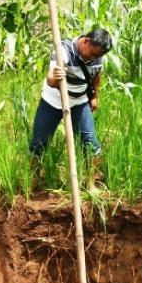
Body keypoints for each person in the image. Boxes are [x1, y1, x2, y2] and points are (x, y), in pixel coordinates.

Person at [29, 29, 112, 187]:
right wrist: (56, 77)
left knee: (90, 144)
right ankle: (33, 179)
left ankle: (90, 182)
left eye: (98, 56)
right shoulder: (63, 52)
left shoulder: (97, 56)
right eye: (92, 55)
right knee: (39, 142)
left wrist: (95, 96)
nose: (94, 58)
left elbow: (96, 76)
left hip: (79, 101)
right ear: (86, 41)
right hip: (52, 101)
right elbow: (50, 81)